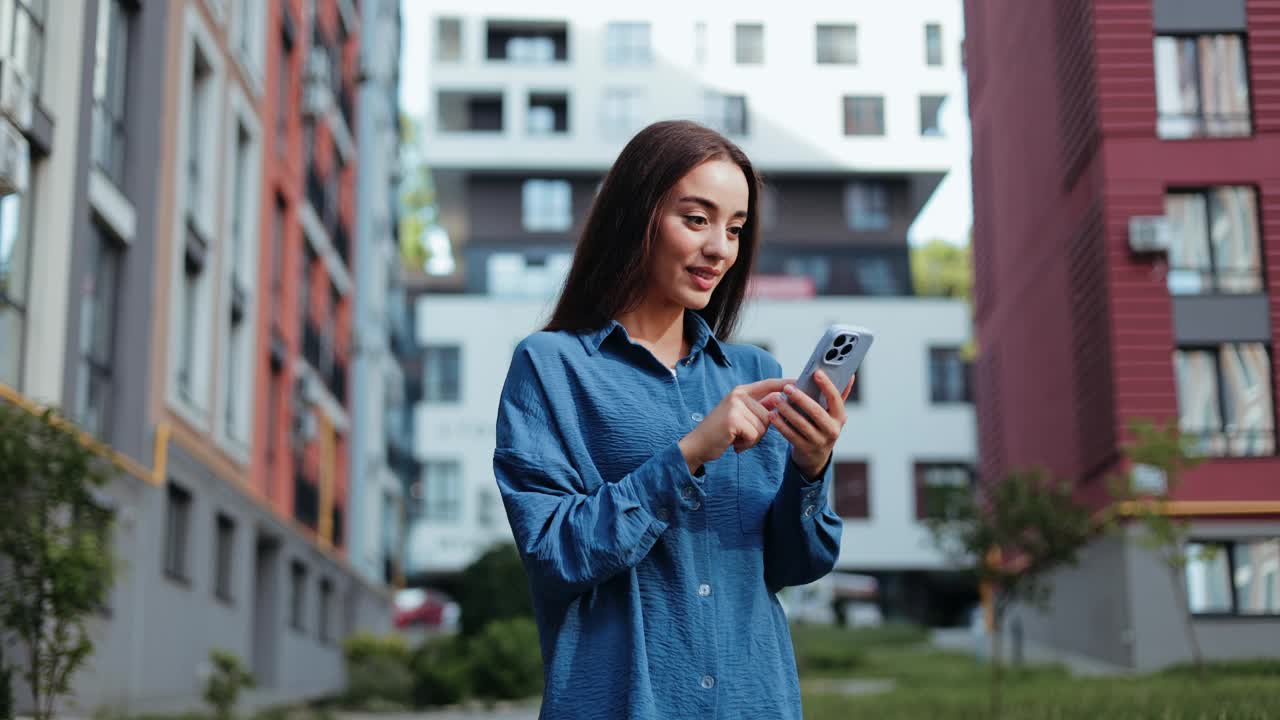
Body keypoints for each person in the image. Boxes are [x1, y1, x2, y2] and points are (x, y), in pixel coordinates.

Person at [494, 120, 853, 719]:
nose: (720, 248)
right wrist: (690, 453)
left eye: (735, 229)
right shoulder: (551, 366)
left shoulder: (754, 373)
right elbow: (556, 553)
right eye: (697, 219)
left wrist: (810, 469)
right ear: (636, 217)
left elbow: (797, 565)